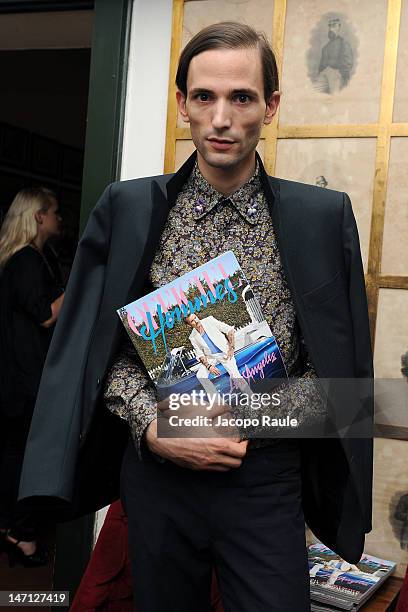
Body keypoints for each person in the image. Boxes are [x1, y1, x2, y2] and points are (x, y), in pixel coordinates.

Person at [18, 22, 373, 611]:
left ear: (272, 105)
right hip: (159, 481)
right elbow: (94, 352)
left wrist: (242, 415)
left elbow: (341, 384)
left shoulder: (322, 217)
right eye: (204, 97)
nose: (221, 118)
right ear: (182, 102)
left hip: (264, 482)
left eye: (242, 97)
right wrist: (158, 427)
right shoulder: (127, 208)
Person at [0, 187, 64, 567]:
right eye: (55, 212)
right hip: (22, 382)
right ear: (39, 217)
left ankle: (14, 528)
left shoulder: (34, 258)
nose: (59, 219)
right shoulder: (25, 260)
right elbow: (45, 315)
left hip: (20, 378)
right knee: (23, 455)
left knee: (16, 453)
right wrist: (82, 281)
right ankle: (18, 532)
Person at [185, 313, 250, 397]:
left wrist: (231, 348)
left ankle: (252, 397)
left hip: (224, 352)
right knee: (201, 376)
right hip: (211, 357)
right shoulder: (192, 337)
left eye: (195, 318)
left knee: (235, 375)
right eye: (192, 321)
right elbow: (200, 354)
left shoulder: (209, 320)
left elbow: (229, 330)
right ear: (189, 325)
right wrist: (209, 366)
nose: (196, 321)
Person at [315, 17, 353, 94]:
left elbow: (348, 63)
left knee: (336, 98)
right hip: (323, 74)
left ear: (338, 27)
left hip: (337, 74)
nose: (331, 28)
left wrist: (341, 75)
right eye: (330, 26)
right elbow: (321, 65)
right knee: (315, 92)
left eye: (334, 26)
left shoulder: (343, 43)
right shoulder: (325, 47)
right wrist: (320, 73)